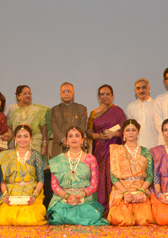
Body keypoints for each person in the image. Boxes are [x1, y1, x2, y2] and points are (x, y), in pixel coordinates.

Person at [47, 127, 108, 226]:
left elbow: (94, 184)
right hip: (63, 199)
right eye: (70, 136)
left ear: (82, 140)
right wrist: (68, 197)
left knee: (89, 216)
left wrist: (79, 196)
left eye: (77, 136)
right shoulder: (58, 160)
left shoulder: (90, 159)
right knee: (58, 216)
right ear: (67, 140)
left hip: (85, 199)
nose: (74, 138)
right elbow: (54, 185)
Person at [86, 84, 126, 216]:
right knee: (99, 177)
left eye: (107, 94)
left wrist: (114, 134)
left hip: (114, 149)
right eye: (102, 94)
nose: (105, 96)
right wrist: (98, 136)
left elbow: (125, 129)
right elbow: (88, 132)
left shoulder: (118, 111)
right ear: (98, 97)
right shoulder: (93, 113)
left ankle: (114, 207)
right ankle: (101, 208)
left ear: (112, 96)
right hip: (99, 150)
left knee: (112, 176)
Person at [0, 124, 47, 226]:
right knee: (5, 217)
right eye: (19, 136)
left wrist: (34, 196)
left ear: (30, 138)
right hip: (11, 193)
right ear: (15, 138)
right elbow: (2, 181)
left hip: (31, 192)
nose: (22, 139)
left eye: (26, 136)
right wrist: (5, 195)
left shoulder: (36, 155)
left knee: (29, 218)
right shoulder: (7, 155)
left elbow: (41, 180)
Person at [108, 119, 155, 226]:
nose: (130, 132)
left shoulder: (145, 151)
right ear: (123, 133)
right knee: (119, 219)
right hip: (122, 189)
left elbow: (150, 175)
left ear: (138, 132)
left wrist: (141, 191)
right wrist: (125, 192)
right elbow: (113, 177)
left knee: (144, 219)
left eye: (133, 130)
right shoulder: (117, 151)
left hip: (140, 189)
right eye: (127, 130)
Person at [6, 85, 51, 158]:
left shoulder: (37, 109)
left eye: (29, 93)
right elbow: (9, 127)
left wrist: (44, 145)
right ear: (18, 96)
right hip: (18, 143)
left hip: (35, 144)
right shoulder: (13, 109)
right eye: (24, 93)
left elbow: (43, 128)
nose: (28, 95)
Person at [50, 82, 87, 159]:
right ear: (61, 94)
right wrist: (63, 139)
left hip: (76, 146)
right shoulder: (55, 109)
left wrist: (72, 140)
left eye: (69, 91)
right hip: (59, 147)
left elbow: (82, 127)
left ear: (73, 93)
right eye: (64, 91)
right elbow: (54, 127)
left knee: (77, 170)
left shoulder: (81, 109)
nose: (66, 94)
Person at [126, 78, 158, 149]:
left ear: (149, 89)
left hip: (154, 145)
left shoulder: (156, 104)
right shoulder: (131, 106)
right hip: (137, 146)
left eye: (144, 87)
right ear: (135, 90)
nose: (141, 91)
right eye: (138, 88)